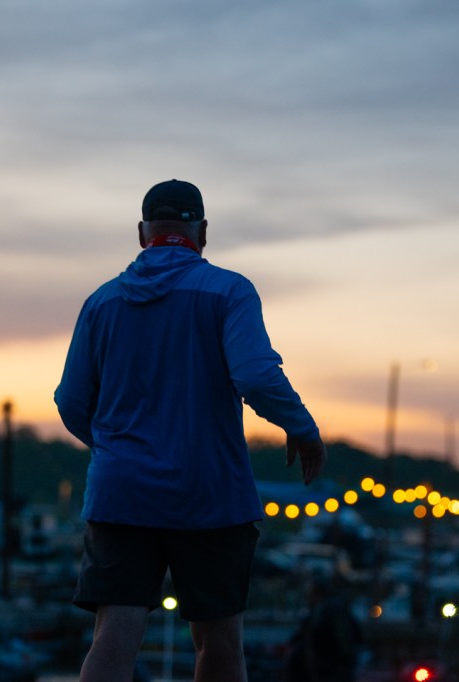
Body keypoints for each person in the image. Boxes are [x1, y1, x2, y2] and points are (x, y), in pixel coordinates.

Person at [55, 179, 327, 682]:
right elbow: (255, 376)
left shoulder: (101, 302)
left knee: (114, 633)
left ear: (142, 233)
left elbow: (70, 400)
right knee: (218, 640)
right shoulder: (229, 291)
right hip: (210, 493)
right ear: (202, 232)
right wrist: (302, 427)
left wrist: (116, 450)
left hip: (122, 492)